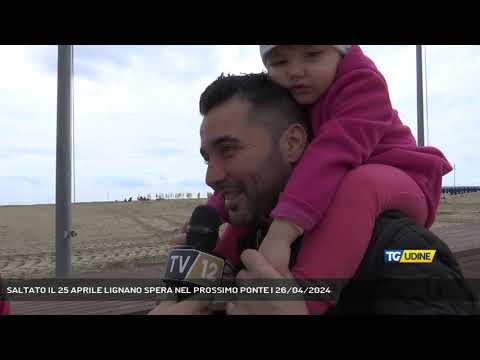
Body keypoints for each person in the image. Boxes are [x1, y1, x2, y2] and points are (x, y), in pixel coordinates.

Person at [206, 45, 453, 280]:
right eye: (280, 62)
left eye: (312, 55)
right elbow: (251, 177)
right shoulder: (297, 100)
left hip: (404, 179)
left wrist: (283, 231)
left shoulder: (364, 87)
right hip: (342, 180)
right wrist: (212, 214)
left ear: (341, 54)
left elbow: (331, 154)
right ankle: (219, 265)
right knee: (260, 200)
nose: (295, 71)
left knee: (360, 183)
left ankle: (308, 294)